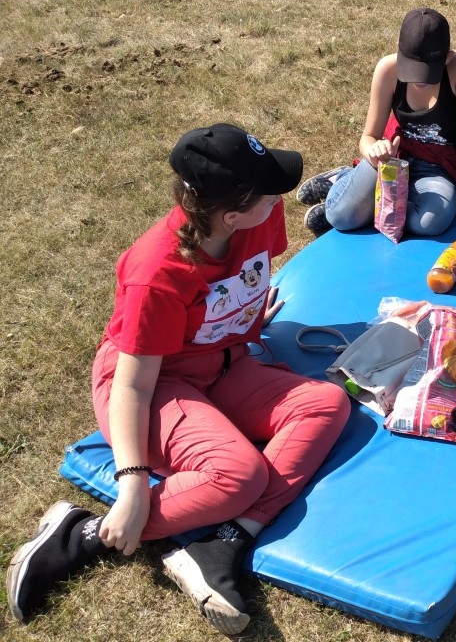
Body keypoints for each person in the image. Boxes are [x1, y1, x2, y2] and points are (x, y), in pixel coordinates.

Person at [6, 124, 351, 634]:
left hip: (222, 361)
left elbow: (243, 275)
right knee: (238, 476)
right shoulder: (156, 272)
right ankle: (82, 532)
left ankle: (223, 541)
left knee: (325, 403)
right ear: (232, 215)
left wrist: (242, 313)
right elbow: (133, 386)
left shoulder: (259, 217)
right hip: (150, 383)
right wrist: (132, 483)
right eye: (269, 193)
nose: (279, 199)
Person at [299, 7, 456, 236]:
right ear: (399, 52)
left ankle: (373, 205)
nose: (419, 80)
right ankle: (341, 179)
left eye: (428, 72)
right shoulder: (387, 69)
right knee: (340, 217)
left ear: (447, 57)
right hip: (392, 159)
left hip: (437, 169)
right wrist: (374, 151)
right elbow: (368, 137)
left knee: (429, 223)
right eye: (412, 70)